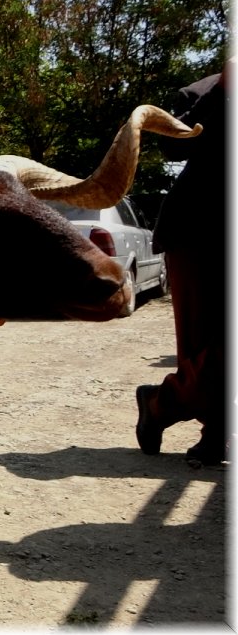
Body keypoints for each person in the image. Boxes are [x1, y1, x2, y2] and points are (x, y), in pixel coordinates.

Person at [135, 61, 231, 465]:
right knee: (203, 344)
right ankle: (208, 432)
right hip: (199, 234)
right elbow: (174, 145)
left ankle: (161, 403)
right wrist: (224, 93)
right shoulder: (203, 92)